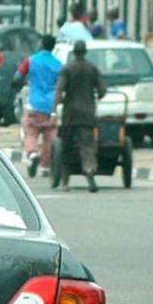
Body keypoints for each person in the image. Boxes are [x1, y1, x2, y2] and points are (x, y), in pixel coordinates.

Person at [53, 40, 106, 193]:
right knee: (87, 146)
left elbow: (59, 90)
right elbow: (102, 91)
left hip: (70, 114)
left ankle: (65, 183)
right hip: (87, 114)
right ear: (85, 52)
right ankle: (89, 171)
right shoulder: (92, 68)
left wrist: (53, 110)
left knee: (66, 148)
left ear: (74, 52)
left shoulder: (67, 69)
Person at [16, 34, 62, 178]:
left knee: (30, 132)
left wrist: (24, 83)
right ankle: (45, 166)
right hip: (51, 106)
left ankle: (33, 153)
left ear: (41, 44)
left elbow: (17, 77)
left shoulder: (31, 60)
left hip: (34, 104)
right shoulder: (58, 64)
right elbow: (62, 85)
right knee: (49, 137)